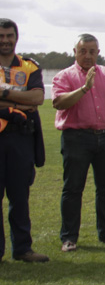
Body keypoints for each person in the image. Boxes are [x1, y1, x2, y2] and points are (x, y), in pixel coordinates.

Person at [52, 33, 105, 252]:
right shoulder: (65, 76)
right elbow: (59, 102)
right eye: (83, 51)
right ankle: (69, 237)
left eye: (92, 51)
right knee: (73, 188)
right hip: (76, 138)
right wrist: (84, 89)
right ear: (75, 51)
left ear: (98, 51)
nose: (88, 55)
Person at [0, 18, 49, 262]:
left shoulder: (29, 67)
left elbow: (38, 98)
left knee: (20, 196)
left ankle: (22, 249)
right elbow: (28, 99)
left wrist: (4, 94)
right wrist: (21, 100)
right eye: (1, 36)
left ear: (16, 38)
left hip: (21, 138)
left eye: (9, 35)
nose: (5, 40)